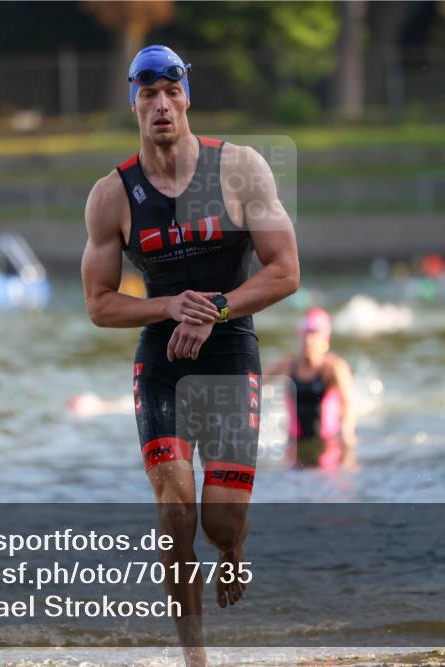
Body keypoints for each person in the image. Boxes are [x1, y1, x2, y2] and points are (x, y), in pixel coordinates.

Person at [80, 45, 299, 666]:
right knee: (175, 514)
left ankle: (233, 550)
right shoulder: (111, 196)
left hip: (229, 345)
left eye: (169, 91)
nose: (159, 104)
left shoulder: (240, 169)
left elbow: (285, 272)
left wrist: (215, 310)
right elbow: (99, 304)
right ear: (135, 105)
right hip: (164, 354)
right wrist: (172, 307)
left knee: (219, 523)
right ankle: (195, 657)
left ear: (186, 98)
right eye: (146, 94)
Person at [266, 307, 358, 469]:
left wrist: (347, 430)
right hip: (294, 442)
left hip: (327, 442)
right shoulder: (289, 365)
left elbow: (349, 403)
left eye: (314, 334)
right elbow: (256, 382)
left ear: (325, 338)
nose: (309, 340)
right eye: (306, 333)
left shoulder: (334, 367)